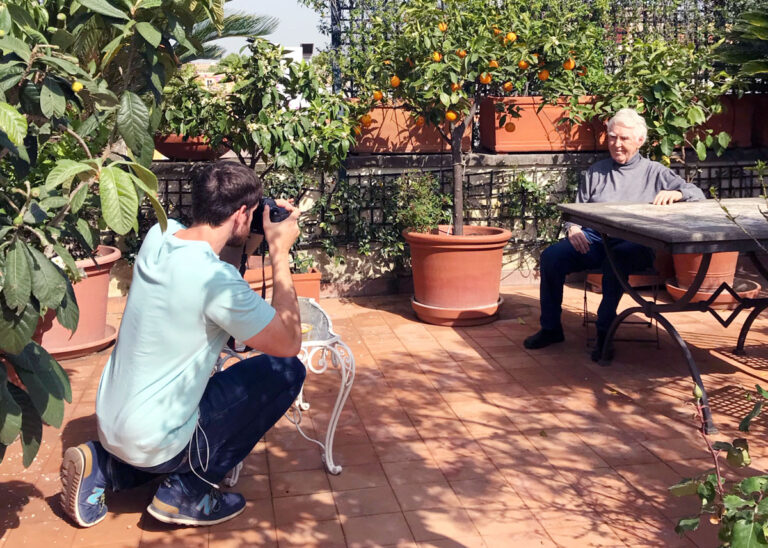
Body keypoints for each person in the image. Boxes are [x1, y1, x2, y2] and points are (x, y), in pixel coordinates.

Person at [60, 161, 306, 527]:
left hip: (113, 423)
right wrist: (279, 250)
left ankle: (104, 466)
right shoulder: (216, 282)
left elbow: (211, 243)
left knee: (174, 420)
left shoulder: (159, 236)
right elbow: (288, 342)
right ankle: (187, 492)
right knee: (285, 372)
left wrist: (253, 219)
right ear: (241, 214)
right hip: (157, 440)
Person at [523, 108, 706, 361]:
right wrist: (573, 228)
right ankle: (551, 328)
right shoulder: (597, 171)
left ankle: (604, 333)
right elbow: (577, 211)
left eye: (623, 139)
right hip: (596, 240)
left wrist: (678, 194)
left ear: (640, 141)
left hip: (637, 243)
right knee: (552, 257)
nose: (616, 144)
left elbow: (697, 194)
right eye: (612, 137)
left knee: (616, 260)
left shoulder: (655, 172)